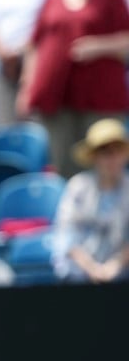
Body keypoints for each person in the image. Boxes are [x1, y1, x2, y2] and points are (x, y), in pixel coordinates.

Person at [18, 0, 129, 177]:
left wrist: (98, 46)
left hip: (101, 94)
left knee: (106, 163)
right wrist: (28, 86)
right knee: (64, 165)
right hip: (58, 95)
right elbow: (35, 45)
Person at [53, 118, 129, 282]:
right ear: (94, 157)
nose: (112, 158)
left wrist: (115, 266)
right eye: (105, 152)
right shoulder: (77, 187)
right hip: (80, 276)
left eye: (117, 150)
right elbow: (66, 236)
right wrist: (92, 269)